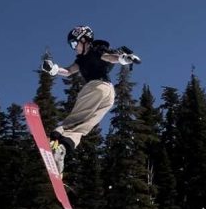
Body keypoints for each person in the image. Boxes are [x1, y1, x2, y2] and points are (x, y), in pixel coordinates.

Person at [41, 26, 140, 174]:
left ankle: (55, 137)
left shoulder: (96, 50)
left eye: (75, 44)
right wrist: (54, 69)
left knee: (74, 119)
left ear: (84, 39)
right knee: (84, 127)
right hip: (109, 95)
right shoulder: (81, 60)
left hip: (95, 87)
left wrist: (122, 59)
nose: (74, 48)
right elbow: (68, 72)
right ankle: (62, 150)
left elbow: (109, 57)